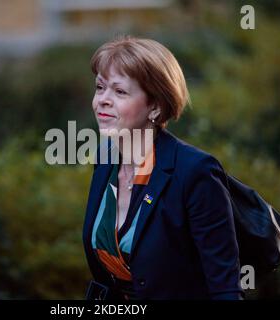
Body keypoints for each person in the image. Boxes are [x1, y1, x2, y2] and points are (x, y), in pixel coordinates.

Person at [82, 35, 243, 300]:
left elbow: (224, 288)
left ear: (155, 107)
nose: (103, 100)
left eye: (120, 91)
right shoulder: (105, 161)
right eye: (100, 88)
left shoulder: (195, 172)